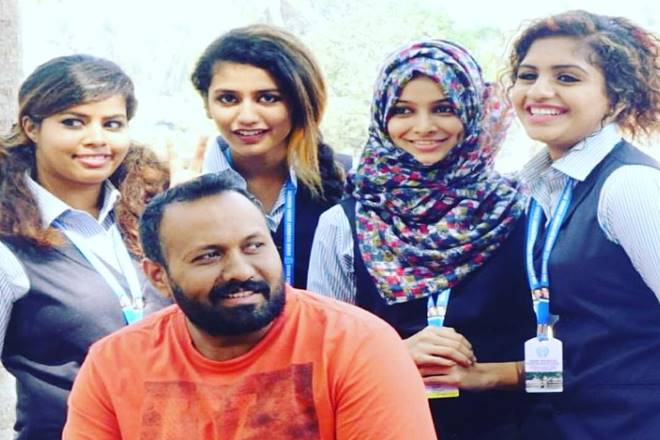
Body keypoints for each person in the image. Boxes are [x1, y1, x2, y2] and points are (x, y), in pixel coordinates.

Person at [62, 172, 437, 440]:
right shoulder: (113, 364)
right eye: (209, 256)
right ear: (159, 277)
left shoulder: (359, 345)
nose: (241, 270)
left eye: (254, 246)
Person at [308, 40, 535, 439]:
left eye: (444, 108)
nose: (424, 126)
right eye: (403, 110)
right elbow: (321, 354)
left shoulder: (522, 211)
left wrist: (489, 375)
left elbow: (575, 357)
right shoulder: (343, 222)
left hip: (511, 425)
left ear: (472, 111)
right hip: (384, 426)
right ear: (382, 116)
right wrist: (393, 354)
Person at [506, 10, 660, 439]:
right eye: (527, 75)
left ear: (618, 98)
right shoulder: (543, 187)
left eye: (567, 77)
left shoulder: (629, 186)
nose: (539, 91)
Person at [0, 54, 170, 439]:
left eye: (112, 124)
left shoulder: (151, 216)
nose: (97, 139)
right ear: (31, 127)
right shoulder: (8, 245)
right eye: (73, 122)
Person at [191, 24, 351, 290]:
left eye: (268, 98)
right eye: (228, 99)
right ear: (207, 105)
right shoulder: (184, 193)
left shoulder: (349, 181)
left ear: (301, 103)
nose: (247, 117)